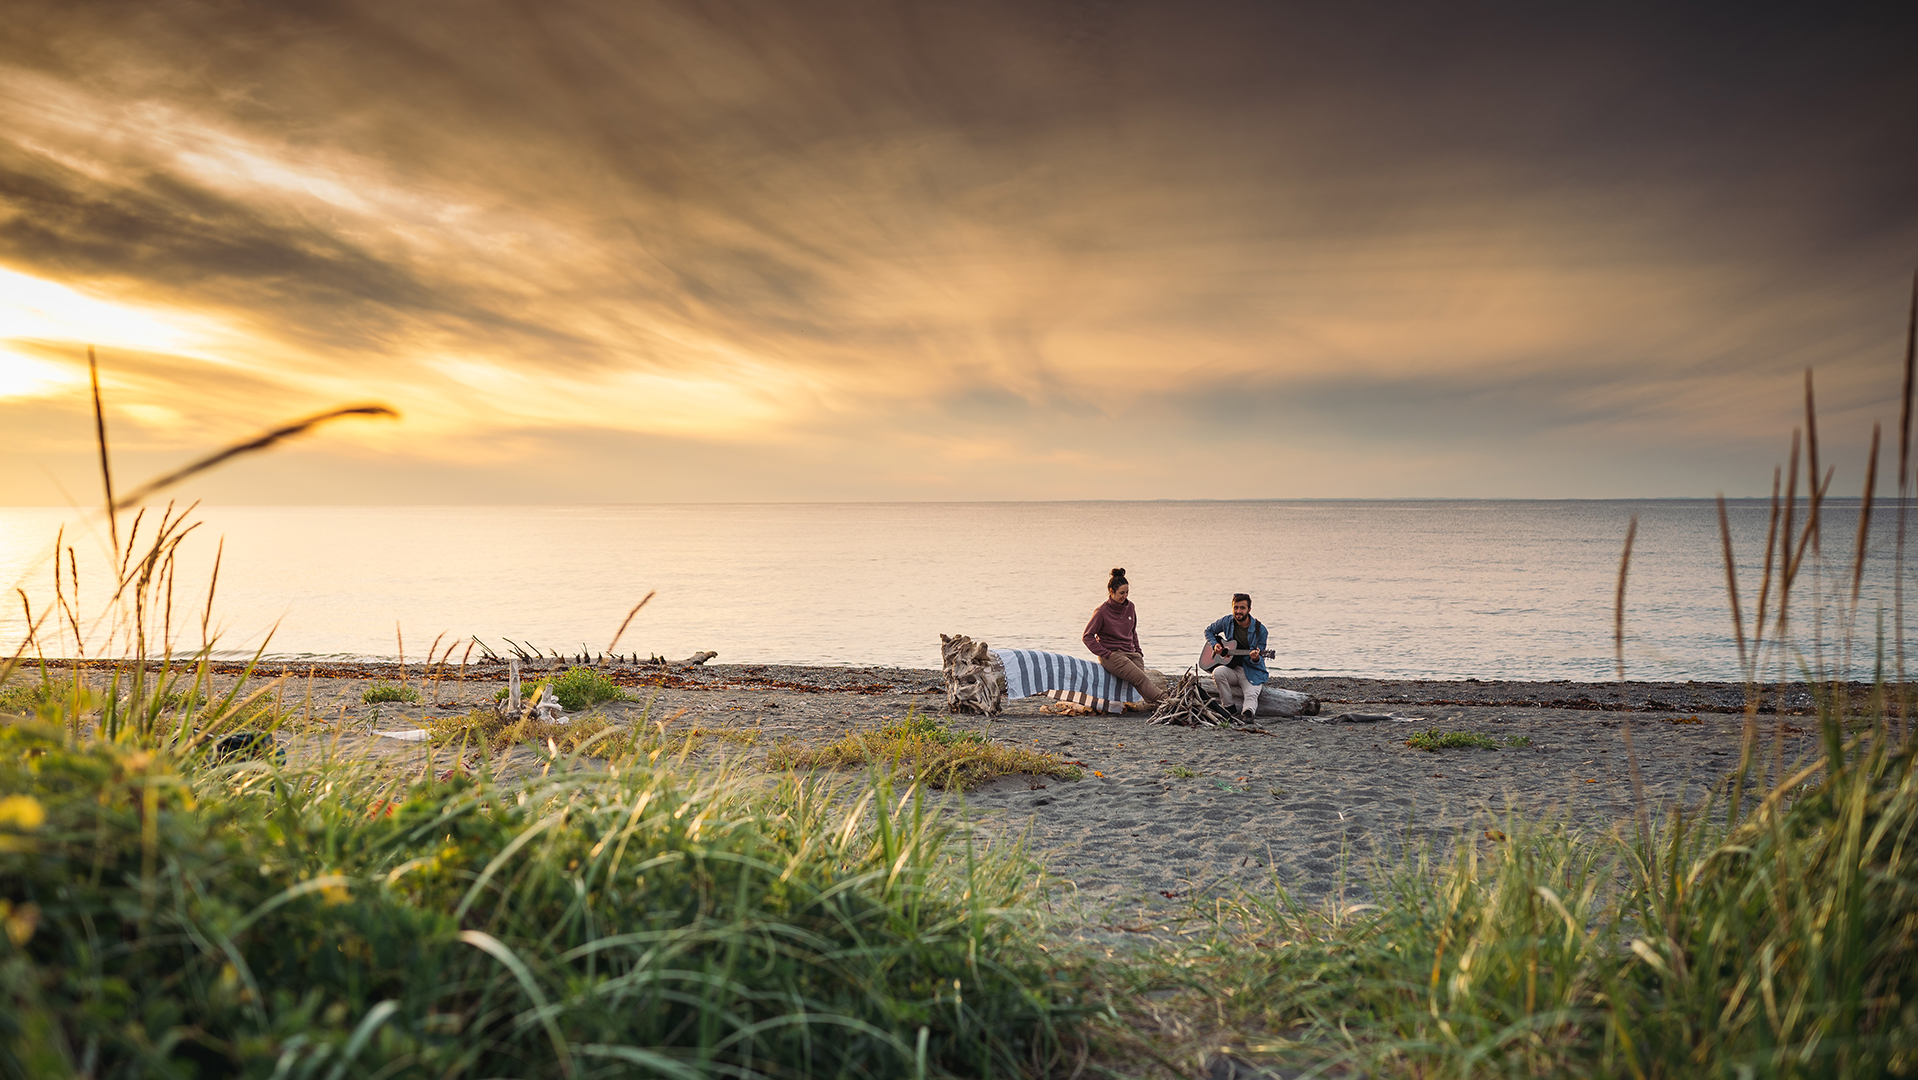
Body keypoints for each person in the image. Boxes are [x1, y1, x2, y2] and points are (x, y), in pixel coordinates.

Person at [1082, 567, 1165, 705]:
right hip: (1113, 655)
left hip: (1132, 653)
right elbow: (1087, 636)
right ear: (1111, 591)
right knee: (1141, 679)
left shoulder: (1131, 607)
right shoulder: (1101, 611)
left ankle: (1157, 705)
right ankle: (1167, 700)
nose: (1125, 596)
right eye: (1121, 593)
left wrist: (1138, 651)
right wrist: (1106, 653)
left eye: (1127, 592)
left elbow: (1133, 631)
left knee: (1141, 680)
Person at [1204, 592, 1270, 718]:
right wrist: (1215, 645)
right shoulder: (1227, 621)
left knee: (1251, 694)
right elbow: (1209, 631)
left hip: (1251, 671)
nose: (1238, 611)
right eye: (1236, 607)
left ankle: (1247, 714)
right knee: (1218, 672)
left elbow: (1259, 655)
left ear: (1249, 610)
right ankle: (1229, 709)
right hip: (1232, 668)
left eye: (1242, 608)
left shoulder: (1260, 630)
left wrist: (1255, 659)